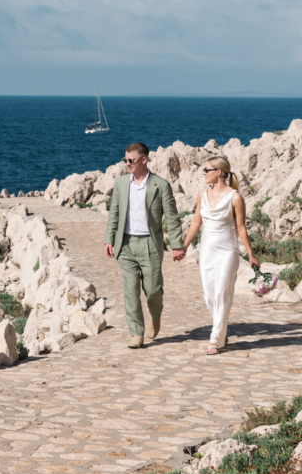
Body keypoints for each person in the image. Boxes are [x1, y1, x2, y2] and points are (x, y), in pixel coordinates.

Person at [103, 142, 185, 349]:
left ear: (144, 160)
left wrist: (177, 245)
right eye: (125, 160)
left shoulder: (161, 185)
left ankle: (155, 316)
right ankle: (136, 333)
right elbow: (114, 213)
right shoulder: (121, 183)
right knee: (130, 290)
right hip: (126, 244)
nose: (127, 164)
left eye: (131, 160)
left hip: (150, 244)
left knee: (153, 290)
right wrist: (109, 239)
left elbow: (172, 218)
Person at [181, 156, 260, 355]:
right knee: (209, 295)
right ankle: (222, 331)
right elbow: (196, 223)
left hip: (228, 252)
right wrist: (183, 247)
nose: (203, 173)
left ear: (219, 172)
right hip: (206, 251)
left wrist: (250, 254)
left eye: (207, 169)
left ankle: (214, 340)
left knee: (222, 293)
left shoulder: (235, 197)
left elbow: (241, 228)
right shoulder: (202, 195)